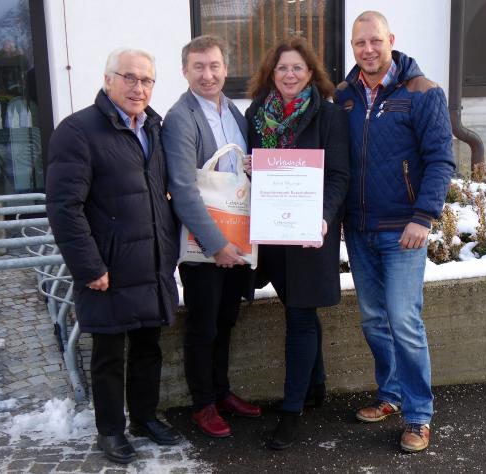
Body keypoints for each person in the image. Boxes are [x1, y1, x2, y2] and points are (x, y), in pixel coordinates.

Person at [46, 48, 182, 465]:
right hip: (106, 268)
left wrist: (168, 251)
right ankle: (110, 429)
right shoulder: (78, 130)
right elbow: (64, 207)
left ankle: (143, 417)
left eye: (147, 80)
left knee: (148, 347)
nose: (139, 88)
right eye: (130, 78)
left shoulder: (153, 128)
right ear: (108, 80)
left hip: (151, 262)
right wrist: (89, 266)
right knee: (108, 354)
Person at [335, 11, 455, 453]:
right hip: (360, 229)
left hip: (404, 231)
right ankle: (389, 395)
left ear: (390, 40)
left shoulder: (422, 92)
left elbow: (442, 160)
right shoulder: (344, 95)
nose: (367, 49)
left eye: (374, 41)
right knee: (372, 318)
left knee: (404, 320)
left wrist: (423, 217)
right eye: (358, 43)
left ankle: (419, 415)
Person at [245, 37, 350, 450]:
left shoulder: (328, 116)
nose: (290, 74)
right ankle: (315, 387)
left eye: (298, 68)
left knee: (301, 317)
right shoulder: (256, 114)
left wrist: (324, 218)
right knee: (297, 308)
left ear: (311, 74)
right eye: (282, 68)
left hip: (310, 234)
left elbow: (338, 175)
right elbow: (251, 173)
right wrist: (252, 167)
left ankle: (291, 412)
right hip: (272, 233)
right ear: (272, 73)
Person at [162, 35, 261, 439]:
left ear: (225, 68)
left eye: (215, 66)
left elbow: (236, 173)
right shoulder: (180, 118)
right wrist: (215, 245)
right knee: (203, 326)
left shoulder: (233, 112)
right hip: (203, 245)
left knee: (226, 319)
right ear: (185, 71)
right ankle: (203, 404)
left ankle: (222, 392)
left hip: (236, 238)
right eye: (199, 67)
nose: (208, 74)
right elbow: (183, 189)